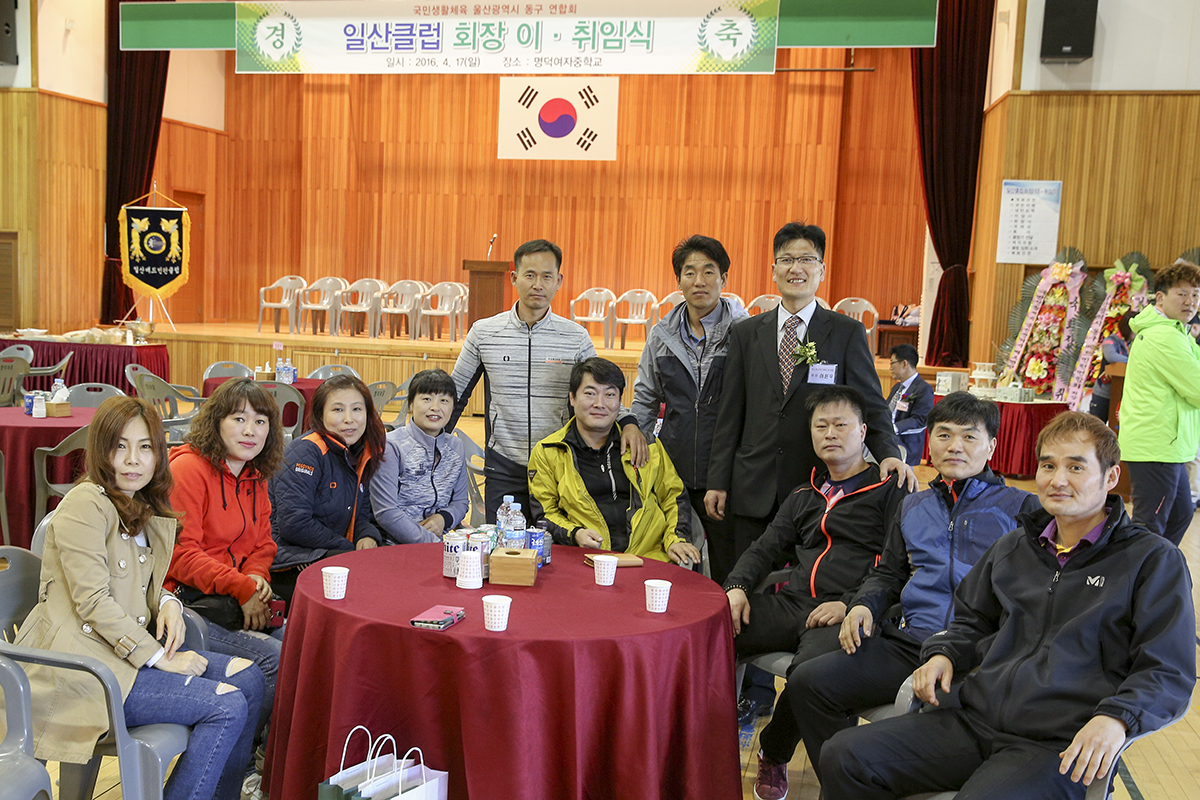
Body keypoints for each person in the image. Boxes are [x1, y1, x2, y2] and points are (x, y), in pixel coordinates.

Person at [821, 411, 1196, 800]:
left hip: (1058, 744)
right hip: (975, 718)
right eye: (1048, 466)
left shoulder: (1151, 560)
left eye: (1076, 467)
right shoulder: (1015, 546)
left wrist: (1117, 719)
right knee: (845, 756)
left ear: (1111, 476)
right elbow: (971, 620)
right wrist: (944, 653)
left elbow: (1167, 670)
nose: (1058, 480)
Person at [751, 392, 1038, 800]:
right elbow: (888, 574)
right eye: (944, 435)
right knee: (808, 682)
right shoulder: (914, 506)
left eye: (969, 437)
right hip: (911, 643)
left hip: (981, 654)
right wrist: (862, 605)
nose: (955, 446)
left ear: (991, 446)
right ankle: (846, 784)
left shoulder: (1023, 509)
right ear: (929, 442)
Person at [13, 397, 264, 800]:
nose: (133, 459)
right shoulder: (85, 503)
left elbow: (135, 581)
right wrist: (161, 657)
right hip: (87, 671)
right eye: (120, 446)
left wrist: (168, 602)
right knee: (226, 704)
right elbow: (93, 601)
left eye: (145, 447)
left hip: (122, 657)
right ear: (101, 451)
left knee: (249, 679)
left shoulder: (137, 503)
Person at [706, 221, 915, 570]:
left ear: (821, 269)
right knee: (747, 580)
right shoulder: (746, 333)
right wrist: (717, 481)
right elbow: (730, 414)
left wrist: (889, 454)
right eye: (787, 260)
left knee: (807, 584)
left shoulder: (846, 332)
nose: (796, 268)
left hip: (819, 488)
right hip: (753, 488)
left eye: (806, 259)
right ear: (774, 269)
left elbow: (870, 404)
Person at [722, 386, 907, 771]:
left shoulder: (889, 491)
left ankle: (774, 753)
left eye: (841, 425)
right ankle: (702, 741)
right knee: (713, 628)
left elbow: (895, 568)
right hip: (792, 603)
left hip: (845, 611)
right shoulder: (804, 493)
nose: (830, 434)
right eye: (821, 426)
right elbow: (765, 548)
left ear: (863, 431)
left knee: (808, 675)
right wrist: (736, 587)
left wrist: (851, 603)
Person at [447, 239, 648, 522]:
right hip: (504, 467)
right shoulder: (484, 333)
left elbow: (600, 392)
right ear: (514, 278)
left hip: (560, 465)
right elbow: (455, 394)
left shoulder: (575, 337)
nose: (537, 285)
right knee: (504, 547)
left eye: (546, 277)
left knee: (559, 546)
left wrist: (629, 423)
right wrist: (428, 443)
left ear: (558, 281)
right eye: (529, 275)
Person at [165, 377, 285, 765]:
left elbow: (263, 544)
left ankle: (268, 754)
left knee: (301, 642)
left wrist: (257, 578)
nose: (251, 431)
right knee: (273, 658)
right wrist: (241, 587)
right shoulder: (188, 469)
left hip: (233, 596)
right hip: (187, 605)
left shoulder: (254, 475)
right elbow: (180, 556)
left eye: (261, 422)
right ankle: (237, 762)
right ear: (216, 422)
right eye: (239, 419)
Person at [631, 234, 749, 583]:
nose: (700, 281)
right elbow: (645, 398)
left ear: (723, 278)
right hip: (675, 469)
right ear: (678, 280)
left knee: (729, 565)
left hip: (729, 472)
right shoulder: (661, 335)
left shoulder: (746, 332)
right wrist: (635, 441)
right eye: (690, 272)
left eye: (709, 271)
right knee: (677, 564)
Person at [528, 357, 702, 565]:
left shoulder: (647, 445)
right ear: (572, 398)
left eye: (610, 394)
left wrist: (676, 539)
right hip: (587, 560)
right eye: (590, 393)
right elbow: (545, 515)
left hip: (648, 558)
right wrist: (575, 534)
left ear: (619, 402)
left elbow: (673, 495)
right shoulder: (548, 451)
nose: (599, 404)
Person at [269, 374, 387, 602]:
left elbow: (361, 514)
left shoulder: (360, 452)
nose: (349, 419)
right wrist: (349, 548)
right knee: (366, 588)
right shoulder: (306, 451)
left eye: (357, 409)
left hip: (329, 551)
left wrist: (367, 536)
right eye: (338, 410)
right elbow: (294, 524)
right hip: (290, 558)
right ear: (320, 414)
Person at [1117, 261, 1200, 545]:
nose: (1190, 301)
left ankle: (1160, 567)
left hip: (1167, 446)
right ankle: (1136, 571)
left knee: (1179, 514)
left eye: (1196, 295)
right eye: (1182, 294)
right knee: (1150, 524)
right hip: (1156, 444)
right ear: (1161, 298)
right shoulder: (1164, 336)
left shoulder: (1177, 332)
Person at [370, 368, 470, 543]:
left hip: (444, 540)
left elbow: (461, 502)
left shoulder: (456, 447)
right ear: (410, 404)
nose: (435, 407)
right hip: (396, 544)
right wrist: (433, 544)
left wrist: (444, 518)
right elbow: (386, 513)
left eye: (444, 400)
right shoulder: (391, 446)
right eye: (426, 399)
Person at [886, 343, 933, 466]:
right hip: (888, 438)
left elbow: (920, 419)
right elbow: (887, 408)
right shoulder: (897, 387)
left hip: (905, 442)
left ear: (904, 364)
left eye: (892, 363)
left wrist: (895, 427)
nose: (890, 368)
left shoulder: (923, 388)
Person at [1087, 310, 1132, 423]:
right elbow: (1111, 357)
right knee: (1096, 425)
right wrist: (1134, 361)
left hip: (1123, 394)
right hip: (1103, 393)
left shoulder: (1136, 343)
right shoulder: (1110, 341)